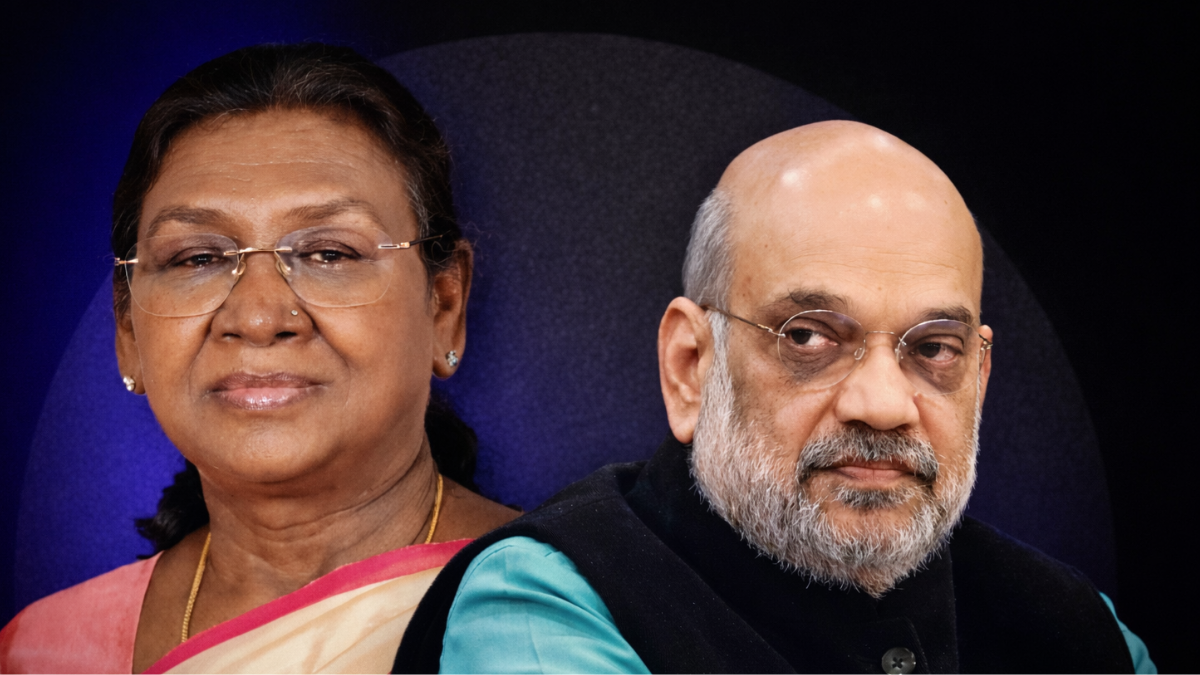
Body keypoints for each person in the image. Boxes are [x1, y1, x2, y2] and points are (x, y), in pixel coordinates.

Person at [398, 121, 1156, 673]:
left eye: (933, 349)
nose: (884, 404)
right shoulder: (549, 603)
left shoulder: (1077, 628)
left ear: (979, 379)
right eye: (809, 337)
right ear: (691, 366)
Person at [0, 43, 517, 674]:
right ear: (128, 328)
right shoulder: (42, 653)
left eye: (330, 253)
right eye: (197, 258)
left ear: (444, 306)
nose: (259, 317)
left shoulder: (566, 604)